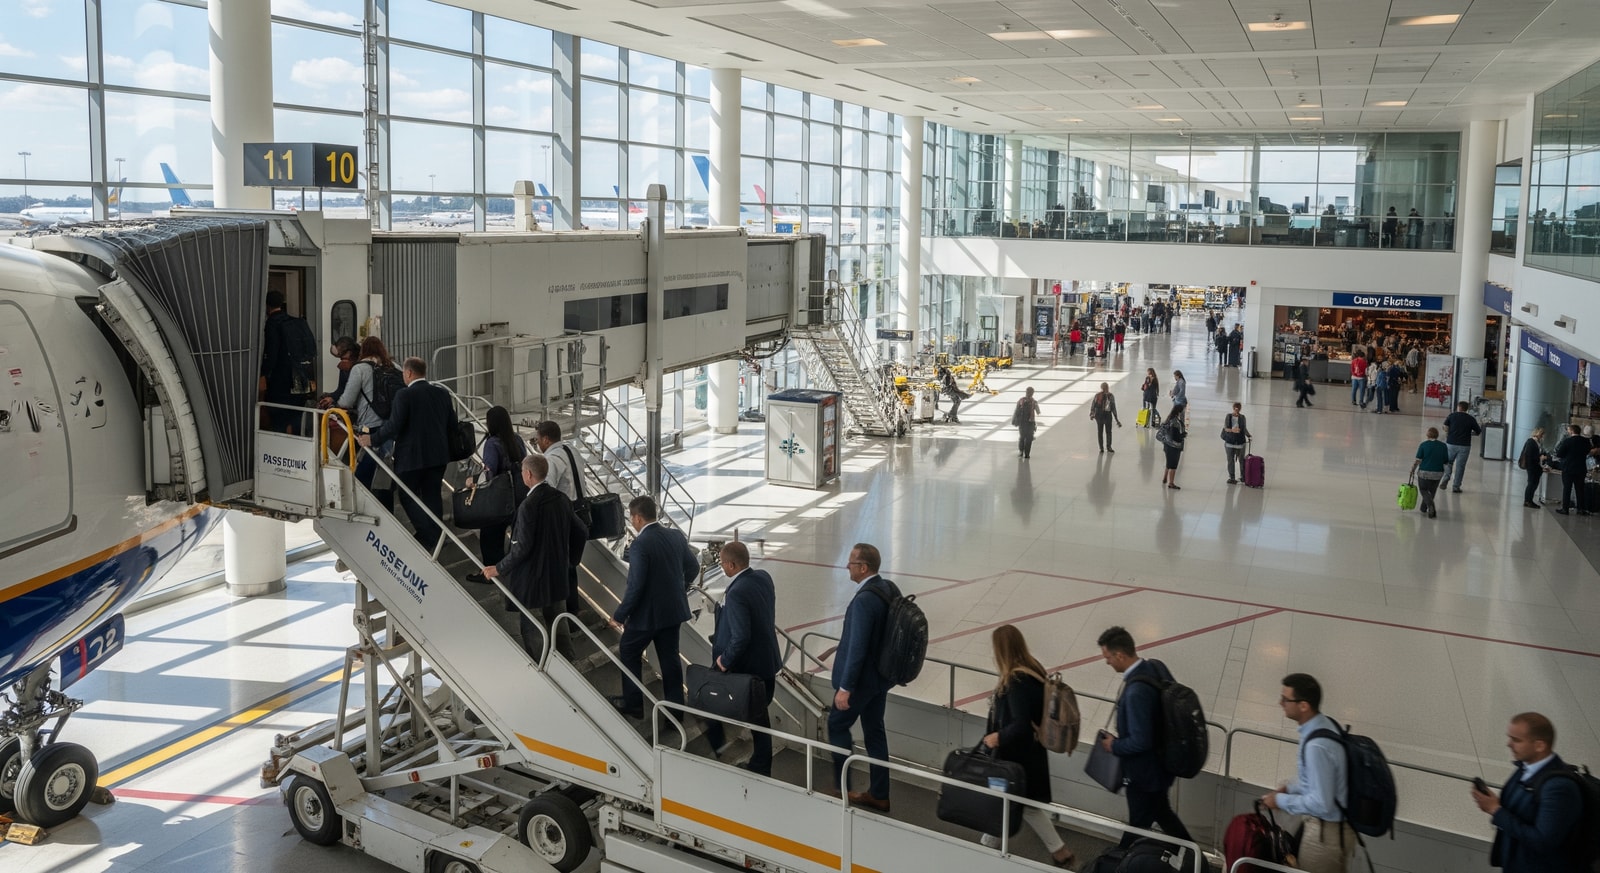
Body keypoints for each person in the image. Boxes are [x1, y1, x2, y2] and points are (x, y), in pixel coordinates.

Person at [978, 625, 1077, 868]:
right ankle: (1060, 852)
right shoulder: (1033, 669)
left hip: (1016, 757)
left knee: (1008, 801)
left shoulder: (1017, 680)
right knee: (1023, 804)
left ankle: (984, 850)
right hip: (1030, 754)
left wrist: (996, 738)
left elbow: (1021, 724)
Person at [1097, 626, 1194, 847]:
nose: (1107, 662)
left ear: (1120, 655)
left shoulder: (1135, 692)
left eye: (1108, 657)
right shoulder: (1155, 667)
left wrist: (1115, 745)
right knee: (1162, 813)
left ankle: (1117, 862)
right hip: (1162, 766)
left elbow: (1141, 740)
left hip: (1144, 775)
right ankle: (1195, 857)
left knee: (1137, 827)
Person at [483, 454, 587, 660]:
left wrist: (499, 568)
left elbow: (522, 548)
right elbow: (581, 531)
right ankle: (569, 664)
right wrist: (570, 560)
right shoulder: (561, 499)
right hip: (557, 576)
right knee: (559, 624)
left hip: (532, 581)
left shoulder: (528, 506)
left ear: (528, 474)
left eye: (522, 471)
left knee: (532, 628)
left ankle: (543, 670)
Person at [609, 496, 700, 719]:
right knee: (670, 660)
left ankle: (634, 704)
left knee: (629, 651)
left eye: (632, 517)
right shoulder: (675, 536)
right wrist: (678, 587)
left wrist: (620, 615)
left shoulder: (641, 545)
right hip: (673, 611)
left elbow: (636, 586)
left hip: (647, 616)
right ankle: (675, 712)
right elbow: (693, 567)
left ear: (638, 518)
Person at [357, 357, 458, 551]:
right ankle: (437, 536)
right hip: (438, 456)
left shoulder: (404, 395)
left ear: (409, 373)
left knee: (406, 496)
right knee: (432, 496)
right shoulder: (442, 394)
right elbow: (452, 425)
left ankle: (428, 536)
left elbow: (394, 426)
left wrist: (373, 439)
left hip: (411, 456)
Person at [1470, 712, 1585, 873]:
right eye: (1510, 737)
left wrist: (1496, 810)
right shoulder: (1524, 768)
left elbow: (1543, 841)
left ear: (1540, 745)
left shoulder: (1559, 787)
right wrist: (1492, 803)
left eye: (1516, 740)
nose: (1509, 744)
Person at [1262, 674, 1353, 873]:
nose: (1280, 703)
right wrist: (1291, 789)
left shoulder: (1317, 745)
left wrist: (1281, 801)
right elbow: (1319, 782)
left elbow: (1321, 802)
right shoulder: (1324, 725)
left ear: (1304, 705)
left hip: (1325, 836)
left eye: (1286, 699)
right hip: (1334, 831)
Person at [703, 542, 781, 776]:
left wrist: (723, 662)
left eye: (724, 564)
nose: (723, 569)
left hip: (748, 666)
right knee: (760, 716)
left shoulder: (736, 592)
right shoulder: (763, 577)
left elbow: (741, 637)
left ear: (732, 564)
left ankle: (725, 747)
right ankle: (759, 763)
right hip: (768, 660)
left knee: (706, 698)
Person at [828, 543, 895, 812]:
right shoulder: (888, 588)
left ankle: (841, 787)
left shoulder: (865, 600)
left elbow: (858, 648)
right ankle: (880, 793)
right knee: (875, 732)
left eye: (852, 562)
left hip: (861, 683)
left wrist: (845, 687)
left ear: (863, 568)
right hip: (880, 679)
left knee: (837, 725)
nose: (847, 566)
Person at [466, 406, 528, 582]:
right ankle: (510, 572)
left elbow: (489, 471)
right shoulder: (517, 440)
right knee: (516, 538)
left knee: (490, 537)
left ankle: (489, 575)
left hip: (499, 500)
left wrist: (473, 481)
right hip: (519, 497)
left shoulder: (493, 443)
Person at [335, 336, 395, 510]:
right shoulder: (393, 367)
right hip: (391, 426)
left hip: (370, 426)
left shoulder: (359, 369)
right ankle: (387, 510)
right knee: (384, 472)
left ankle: (362, 508)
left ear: (363, 352)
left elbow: (346, 401)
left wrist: (335, 405)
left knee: (364, 473)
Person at [534, 420, 584, 623]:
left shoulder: (552, 459)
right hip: (580, 512)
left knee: (562, 566)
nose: (537, 443)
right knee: (571, 564)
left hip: (565, 517)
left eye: (537, 439)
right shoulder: (572, 451)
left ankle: (567, 615)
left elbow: (547, 490)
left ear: (546, 439)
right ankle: (574, 611)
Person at [259, 290, 317, 434]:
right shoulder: (297, 322)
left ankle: (282, 450)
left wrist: (263, 374)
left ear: (267, 306)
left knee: (279, 421)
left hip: (281, 384)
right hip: (302, 382)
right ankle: (297, 447)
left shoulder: (272, 324)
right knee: (296, 418)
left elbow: (271, 355)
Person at [1409, 426, 1450, 518]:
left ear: (1427, 435)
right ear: (1437, 435)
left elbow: (1418, 460)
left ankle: (1431, 506)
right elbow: (1446, 461)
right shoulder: (1443, 446)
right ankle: (1424, 508)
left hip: (1424, 473)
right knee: (1431, 491)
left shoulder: (1423, 445)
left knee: (1424, 490)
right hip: (1438, 473)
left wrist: (1412, 470)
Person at [1443, 401, 1483, 493]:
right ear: (1467, 409)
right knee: (1460, 466)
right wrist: (1470, 433)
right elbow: (1478, 432)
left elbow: (1445, 426)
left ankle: (1446, 476)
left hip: (1451, 443)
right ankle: (1456, 486)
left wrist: (1448, 434)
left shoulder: (1452, 416)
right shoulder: (1470, 419)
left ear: (1458, 407)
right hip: (1464, 445)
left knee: (1448, 462)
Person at [1552, 424, 1590, 516]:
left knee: (1567, 489)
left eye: (1569, 430)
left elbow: (1560, 454)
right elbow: (1587, 452)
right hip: (1581, 469)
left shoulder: (1567, 441)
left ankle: (1565, 509)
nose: (1568, 431)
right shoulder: (1585, 441)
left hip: (1568, 468)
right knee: (1580, 489)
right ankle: (1581, 509)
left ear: (1572, 431)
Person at [316, 336, 360, 410]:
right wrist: (331, 397)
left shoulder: (362, 364)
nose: (341, 359)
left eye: (342, 356)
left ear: (349, 352)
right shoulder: (344, 366)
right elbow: (341, 388)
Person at [1222, 402, 1252, 484]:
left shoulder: (1242, 417)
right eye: (1235, 409)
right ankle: (1232, 477)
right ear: (1233, 408)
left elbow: (1244, 428)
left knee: (1241, 460)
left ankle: (1243, 476)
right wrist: (1232, 430)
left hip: (1240, 442)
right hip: (1230, 441)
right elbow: (1225, 428)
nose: (1237, 411)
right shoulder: (1228, 416)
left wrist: (1248, 435)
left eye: (1238, 409)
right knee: (1230, 460)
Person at [1519, 427, 1548, 509]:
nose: (1543, 437)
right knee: (1531, 483)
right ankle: (1527, 500)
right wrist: (1540, 457)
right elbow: (1530, 455)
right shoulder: (1531, 442)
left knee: (1534, 484)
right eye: (1542, 435)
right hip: (1532, 467)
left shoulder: (1537, 442)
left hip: (1536, 466)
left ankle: (1529, 500)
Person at [1091, 382, 1121, 453]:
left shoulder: (1108, 396)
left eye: (1106, 387)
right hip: (1103, 416)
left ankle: (1104, 447)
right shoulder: (1103, 395)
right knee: (1106, 432)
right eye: (1105, 387)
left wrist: (1092, 414)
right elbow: (1113, 408)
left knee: (1102, 432)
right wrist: (1117, 419)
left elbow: (1093, 405)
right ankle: (1106, 447)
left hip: (1101, 416)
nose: (1106, 389)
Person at [1160, 416, 1187, 490]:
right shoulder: (1175, 422)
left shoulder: (1168, 420)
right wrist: (1183, 435)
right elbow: (1175, 436)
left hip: (1167, 445)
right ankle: (1171, 483)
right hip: (1173, 447)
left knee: (1169, 462)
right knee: (1173, 466)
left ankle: (1165, 478)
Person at [1015, 387, 1040, 459]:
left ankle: (1021, 452)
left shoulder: (1021, 400)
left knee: (1022, 437)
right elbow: (1038, 411)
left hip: (1024, 423)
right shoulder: (1034, 402)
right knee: (1028, 438)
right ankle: (1026, 453)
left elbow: (1017, 411)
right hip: (1029, 423)